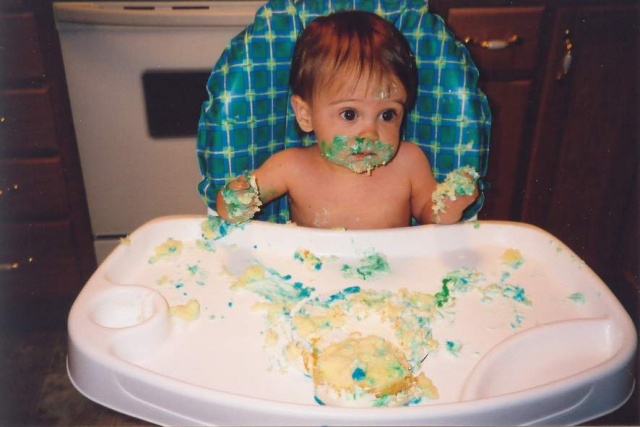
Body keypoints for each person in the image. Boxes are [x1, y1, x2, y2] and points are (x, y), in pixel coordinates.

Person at [215, 10, 479, 229]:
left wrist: (451, 203)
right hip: (308, 272)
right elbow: (229, 210)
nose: (370, 133)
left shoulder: (409, 162)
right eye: (349, 114)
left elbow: (429, 215)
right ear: (305, 115)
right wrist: (236, 201)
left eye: (387, 114)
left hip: (393, 273)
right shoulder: (291, 167)